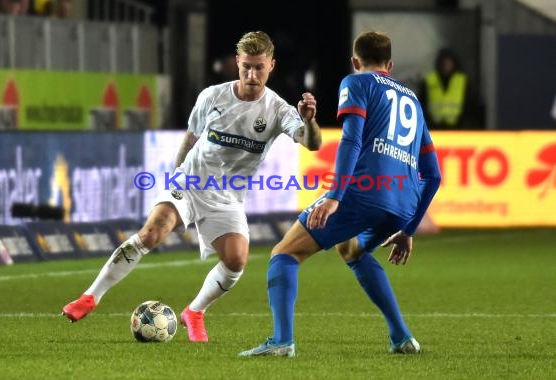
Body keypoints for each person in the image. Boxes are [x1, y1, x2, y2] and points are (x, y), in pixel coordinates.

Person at [61, 31, 322, 343]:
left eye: (259, 68)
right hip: (191, 180)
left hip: (227, 195)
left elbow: (313, 144)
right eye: (246, 67)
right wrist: (175, 179)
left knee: (236, 261)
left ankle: (194, 311)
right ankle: (90, 297)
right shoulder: (212, 96)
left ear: (272, 66)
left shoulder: (278, 110)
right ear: (237, 63)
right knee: (151, 233)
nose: (252, 75)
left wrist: (308, 120)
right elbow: (190, 138)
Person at [239, 31, 441, 357]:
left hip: (363, 193)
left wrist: (335, 194)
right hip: (403, 203)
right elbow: (433, 175)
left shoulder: (356, 83)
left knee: (284, 254)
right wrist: (409, 229)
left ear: (354, 61)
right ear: (390, 64)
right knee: (353, 250)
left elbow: (352, 140)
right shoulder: (413, 101)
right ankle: (401, 337)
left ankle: (281, 341)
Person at [419, 48, 468, 129]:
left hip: (457, 129)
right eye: (444, 63)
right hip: (434, 128)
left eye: (448, 63)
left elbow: (469, 105)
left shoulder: (462, 81)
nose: (446, 66)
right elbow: (421, 104)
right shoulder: (430, 80)